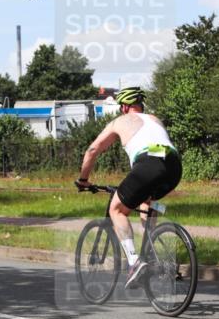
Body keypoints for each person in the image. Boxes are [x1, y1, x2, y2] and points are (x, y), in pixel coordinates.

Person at [75, 87, 182, 288]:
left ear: (124, 107)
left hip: (149, 164)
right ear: (140, 105)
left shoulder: (119, 121)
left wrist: (83, 180)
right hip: (174, 165)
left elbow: (92, 150)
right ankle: (154, 256)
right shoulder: (154, 118)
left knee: (117, 209)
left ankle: (134, 262)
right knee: (146, 201)